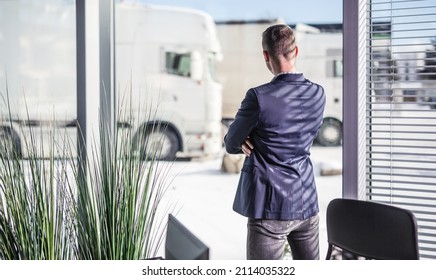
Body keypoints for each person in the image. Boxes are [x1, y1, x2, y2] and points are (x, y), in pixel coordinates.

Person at [224, 24, 326, 260]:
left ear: (266, 56)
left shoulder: (258, 97)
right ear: (296, 51)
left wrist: (245, 139)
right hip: (306, 203)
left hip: (270, 207)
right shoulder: (318, 94)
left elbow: (231, 143)